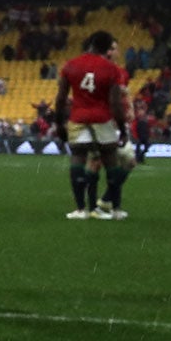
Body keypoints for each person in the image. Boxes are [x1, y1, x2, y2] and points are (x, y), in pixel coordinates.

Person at [56, 31, 133, 219]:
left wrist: (59, 124)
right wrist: (122, 130)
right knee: (110, 162)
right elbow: (115, 104)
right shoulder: (111, 69)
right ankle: (115, 210)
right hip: (102, 119)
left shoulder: (70, 65)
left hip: (78, 119)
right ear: (107, 48)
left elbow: (60, 99)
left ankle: (81, 210)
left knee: (78, 159)